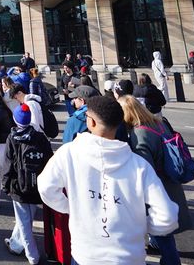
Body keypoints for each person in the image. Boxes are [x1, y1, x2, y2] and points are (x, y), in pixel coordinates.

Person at [38, 96, 179, 265]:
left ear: (92, 123)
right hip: (129, 256)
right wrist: (142, 227)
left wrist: (69, 207)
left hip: (86, 254)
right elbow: (167, 216)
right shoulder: (139, 165)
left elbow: (46, 187)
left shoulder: (68, 153)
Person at [118, 95, 191, 264]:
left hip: (158, 185)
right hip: (170, 182)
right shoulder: (159, 122)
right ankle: (157, 244)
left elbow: (144, 168)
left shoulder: (139, 133)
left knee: (164, 235)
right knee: (163, 231)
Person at [3, 104, 53, 265]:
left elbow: (8, 164)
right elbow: (49, 160)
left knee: (24, 222)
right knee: (27, 217)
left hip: (19, 185)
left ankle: (32, 256)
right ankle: (16, 244)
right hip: (36, 183)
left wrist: (5, 184)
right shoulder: (39, 136)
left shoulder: (12, 137)